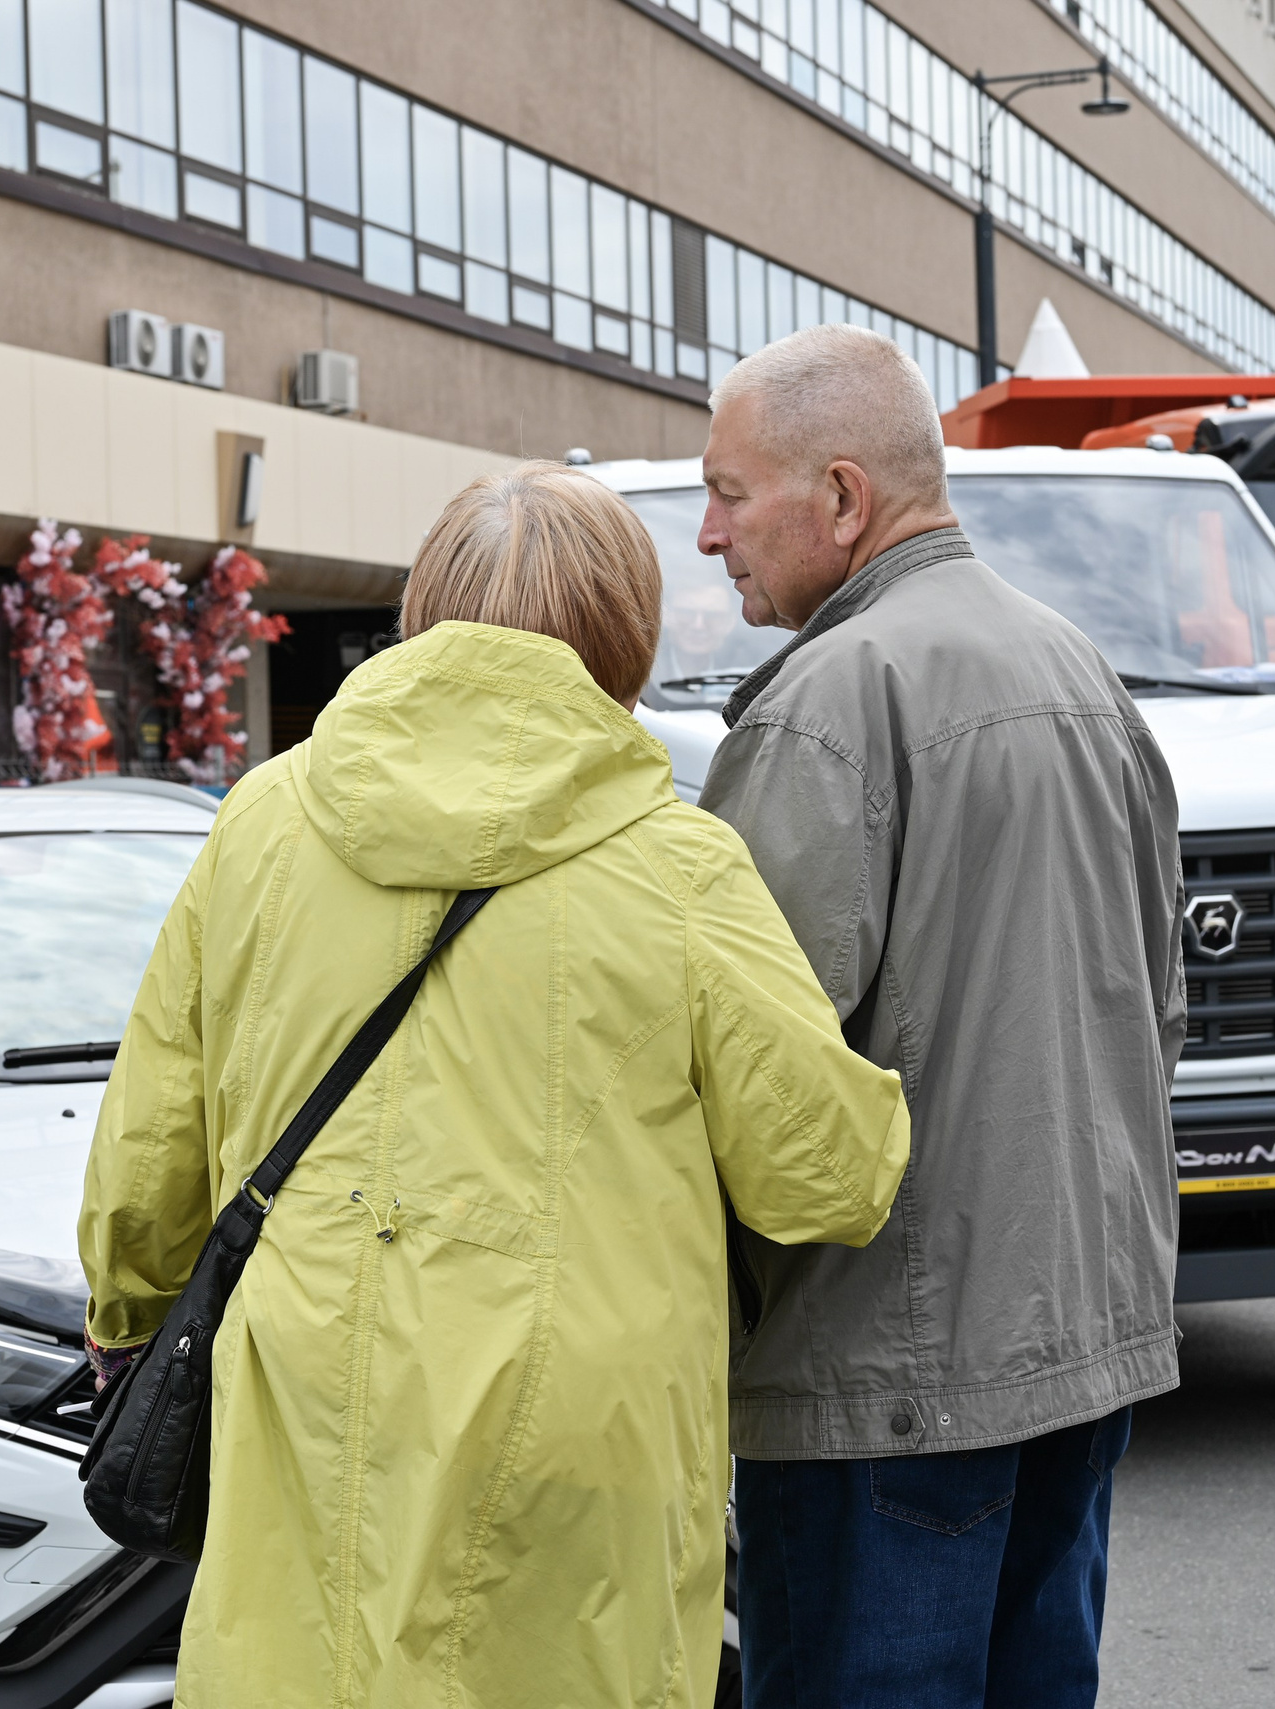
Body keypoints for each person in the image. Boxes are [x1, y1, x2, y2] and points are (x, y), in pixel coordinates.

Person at [79, 463, 911, 1707]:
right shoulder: (677, 863)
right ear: (622, 632)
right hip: (581, 1416)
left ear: (424, 610)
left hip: (306, 1385)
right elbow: (824, 1180)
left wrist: (124, 1309)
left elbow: (152, 1142)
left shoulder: (258, 823)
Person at [692, 324, 1186, 1707]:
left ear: (842, 498)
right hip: (1076, 1345)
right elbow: (1159, 1010)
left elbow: (749, 1076)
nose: (708, 535)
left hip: (885, 1376)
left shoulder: (826, 704)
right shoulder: (1082, 671)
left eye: (729, 493)